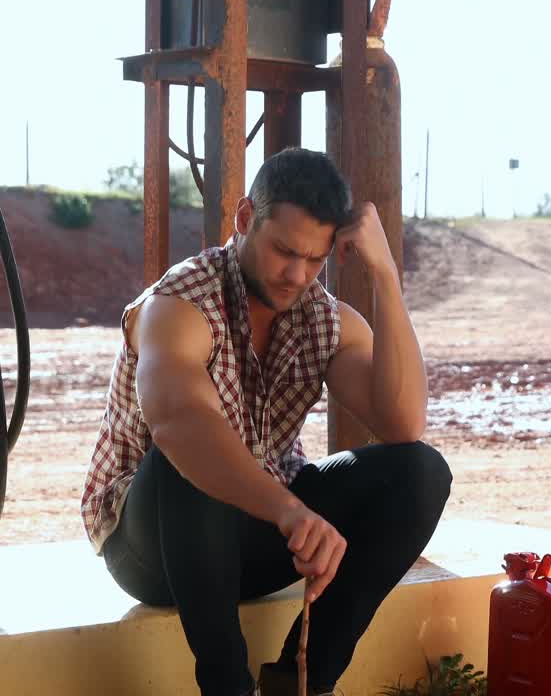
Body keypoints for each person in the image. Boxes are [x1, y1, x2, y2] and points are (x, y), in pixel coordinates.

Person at [80, 148, 451, 696]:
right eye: (283, 251)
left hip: (253, 537)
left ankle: (300, 683)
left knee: (420, 472)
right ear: (245, 218)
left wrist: (386, 277)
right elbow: (180, 422)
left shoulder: (320, 316)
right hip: (154, 545)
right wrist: (289, 509)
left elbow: (402, 423)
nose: (295, 275)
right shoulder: (180, 302)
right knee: (190, 457)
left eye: (314, 259)